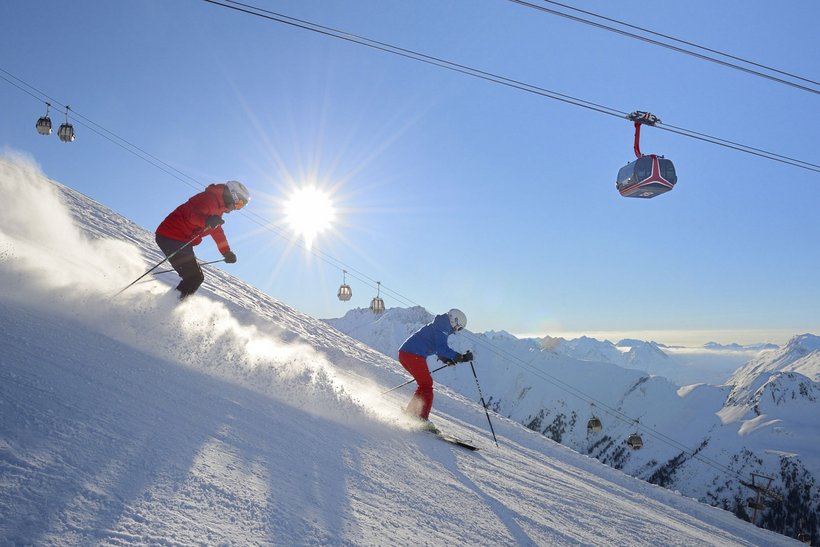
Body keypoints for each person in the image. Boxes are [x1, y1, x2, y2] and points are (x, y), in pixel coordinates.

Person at [155, 180, 250, 299]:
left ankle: (171, 304)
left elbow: (217, 232)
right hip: (171, 235)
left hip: (181, 240)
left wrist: (226, 252)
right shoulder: (209, 199)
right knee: (194, 278)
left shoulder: (219, 208)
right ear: (233, 195)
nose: (237, 208)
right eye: (239, 204)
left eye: (242, 206)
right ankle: (170, 306)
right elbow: (192, 216)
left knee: (195, 277)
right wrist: (206, 221)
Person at [398, 308, 473, 432]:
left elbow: (436, 347)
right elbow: (441, 347)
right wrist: (461, 357)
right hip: (412, 354)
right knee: (427, 386)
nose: (457, 331)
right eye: (459, 328)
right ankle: (421, 419)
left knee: (423, 385)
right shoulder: (442, 326)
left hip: (407, 354)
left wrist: (446, 360)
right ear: (455, 321)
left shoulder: (441, 325)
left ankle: (411, 413)